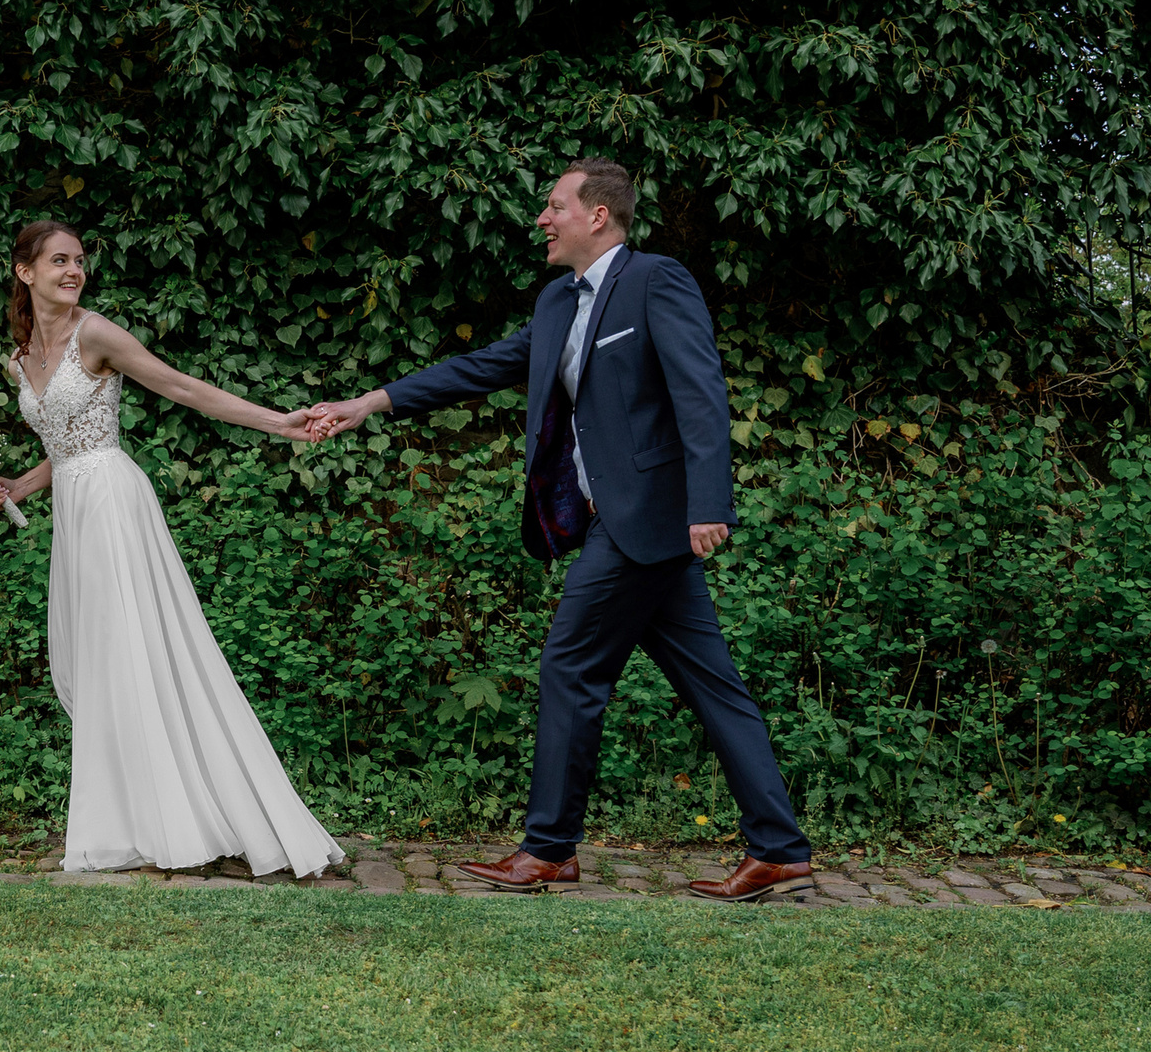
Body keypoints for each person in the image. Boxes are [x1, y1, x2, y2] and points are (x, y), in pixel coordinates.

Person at [304, 158, 814, 903]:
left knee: (570, 665)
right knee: (715, 688)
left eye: (554, 206)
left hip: (646, 517)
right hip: (627, 530)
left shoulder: (655, 281)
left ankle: (547, 849)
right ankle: (780, 850)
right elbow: (485, 365)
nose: (542, 220)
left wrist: (711, 501)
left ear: (597, 215)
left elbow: (699, 389)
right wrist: (369, 402)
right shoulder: (555, 302)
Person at [0, 219, 341, 879]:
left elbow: (182, 387)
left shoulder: (97, 333)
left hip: (115, 504)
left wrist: (276, 421)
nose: (73, 270)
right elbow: (62, 449)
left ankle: (180, 822)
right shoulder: (21, 355)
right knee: (96, 665)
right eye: (58, 260)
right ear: (25, 272)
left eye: (80, 260)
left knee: (135, 654)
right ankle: (129, 821)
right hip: (73, 512)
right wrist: (19, 484)